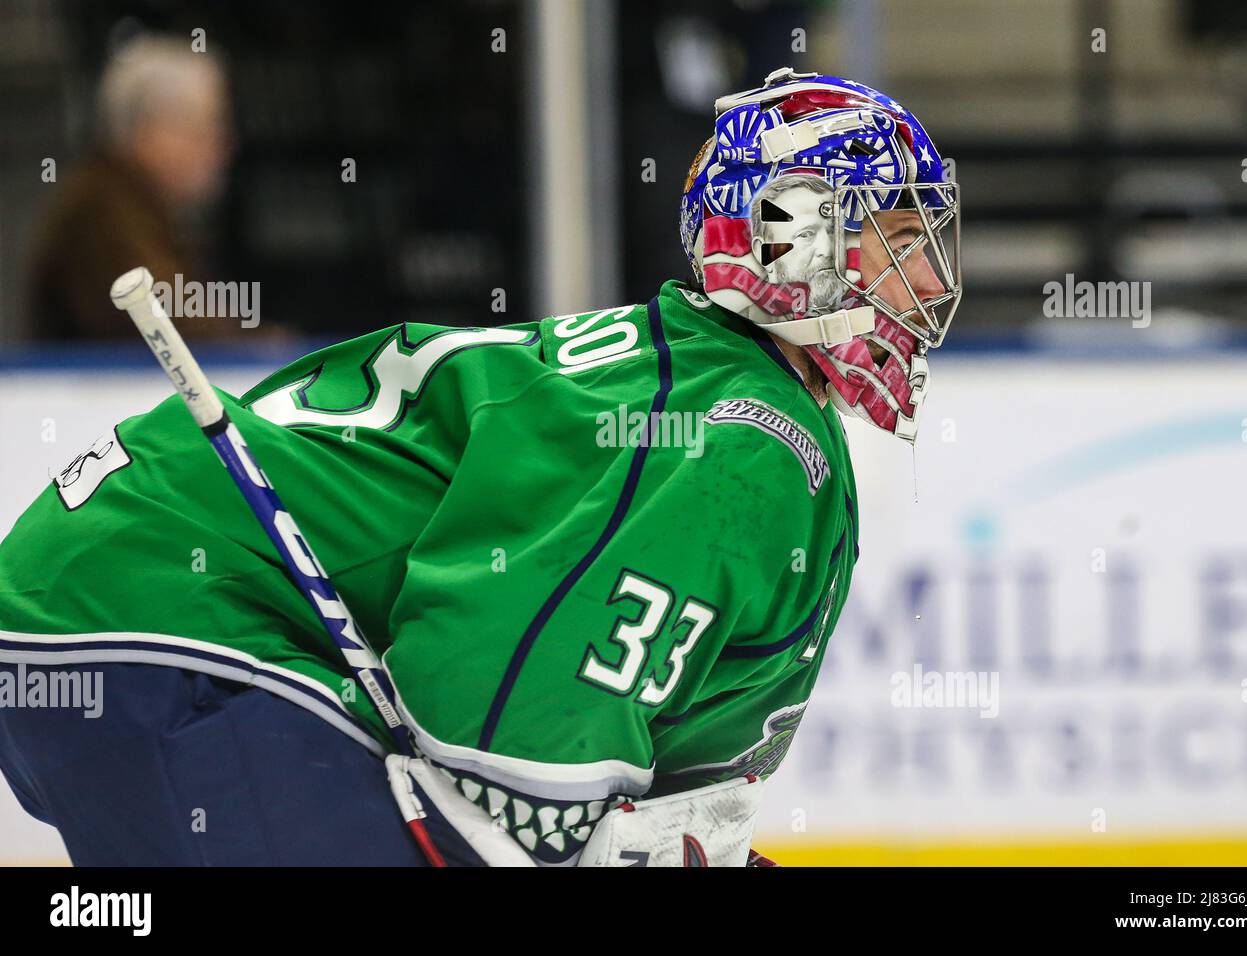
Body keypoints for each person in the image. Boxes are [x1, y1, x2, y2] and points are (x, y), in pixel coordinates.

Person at [0, 68, 960, 865]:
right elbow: (507, 728)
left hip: (103, 594)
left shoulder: (713, 390)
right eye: (902, 242)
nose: (927, 280)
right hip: (168, 611)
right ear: (791, 238)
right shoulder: (747, 439)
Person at [25, 33, 235, 341]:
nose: (223, 147)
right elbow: (170, 319)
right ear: (154, 129)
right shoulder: (102, 210)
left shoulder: (134, 203)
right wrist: (261, 346)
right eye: (206, 128)